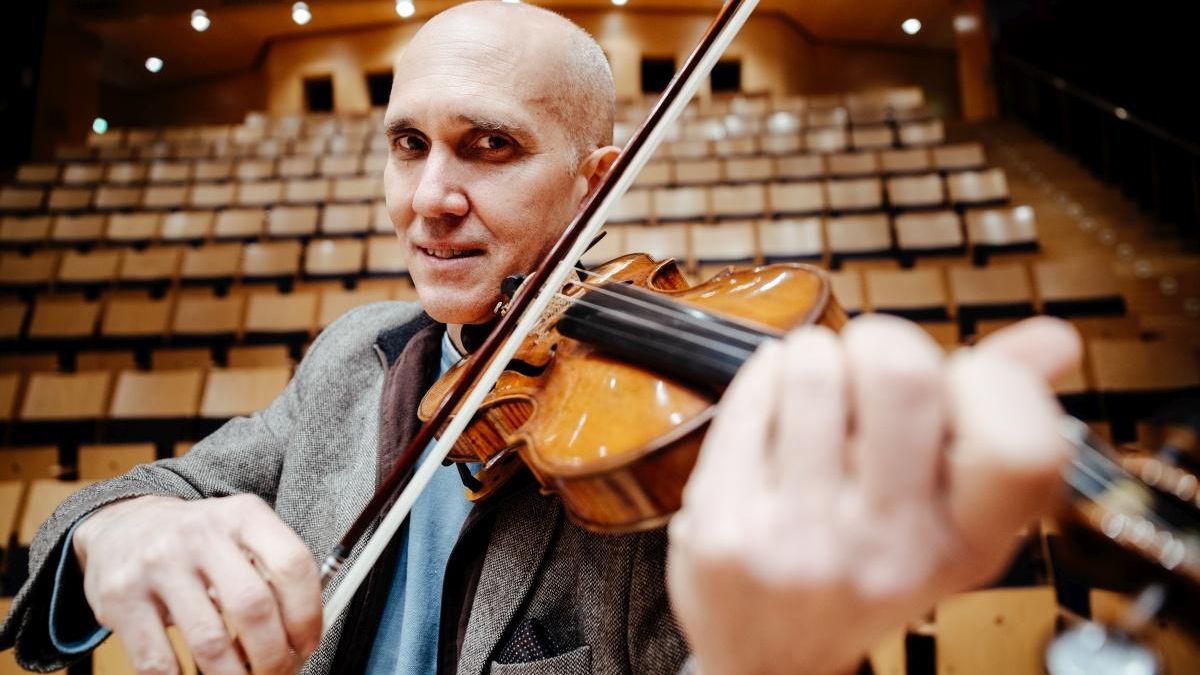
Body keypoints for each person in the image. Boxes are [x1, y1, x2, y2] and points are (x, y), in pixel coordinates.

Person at [0, 2, 1080, 674]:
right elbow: (147, 495)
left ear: (592, 179)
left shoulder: (671, 452)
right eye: (409, 143)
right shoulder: (354, 355)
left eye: (489, 147)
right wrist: (128, 528)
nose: (430, 198)